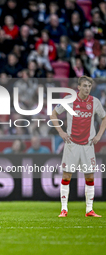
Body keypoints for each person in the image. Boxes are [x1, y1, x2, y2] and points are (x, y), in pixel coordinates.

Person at [50, 76, 106, 218]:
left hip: (88, 145)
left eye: (89, 86)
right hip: (72, 144)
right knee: (67, 175)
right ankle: (64, 209)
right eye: (85, 86)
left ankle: (89, 210)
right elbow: (53, 114)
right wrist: (61, 132)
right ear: (78, 87)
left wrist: (99, 135)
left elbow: (104, 117)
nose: (87, 88)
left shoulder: (95, 102)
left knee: (90, 176)